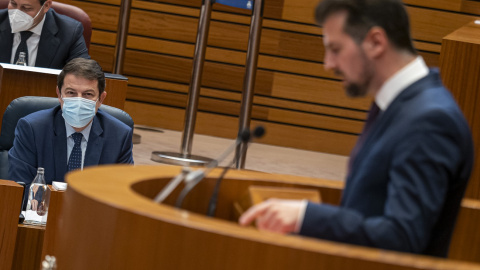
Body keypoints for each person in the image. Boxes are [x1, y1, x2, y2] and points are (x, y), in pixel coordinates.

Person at [239, 0, 474, 258]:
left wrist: (307, 217)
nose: (328, 64)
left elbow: (402, 237)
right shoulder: (397, 104)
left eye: (335, 49)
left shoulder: (430, 120)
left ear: (375, 42)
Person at [8, 58, 134, 207]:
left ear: (101, 99)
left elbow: (123, 196)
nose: (78, 101)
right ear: (59, 94)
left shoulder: (119, 136)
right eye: (71, 93)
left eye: (87, 94)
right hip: (41, 221)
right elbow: (20, 188)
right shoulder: (32, 129)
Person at [0, 0, 89, 69]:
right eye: (13, 4)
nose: (16, 14)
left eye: (26, 8)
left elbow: (83, 74)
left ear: (46, 6)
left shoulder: (69, 32)